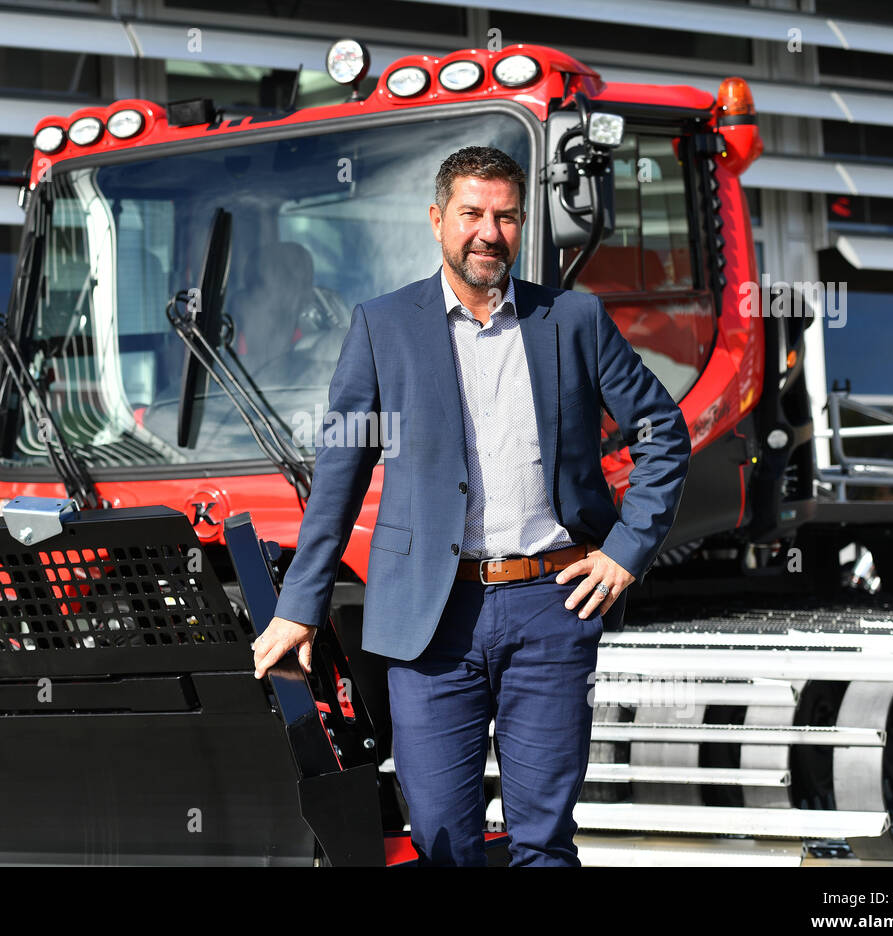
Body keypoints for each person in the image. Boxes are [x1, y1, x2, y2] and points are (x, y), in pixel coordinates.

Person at [251, 145, 691, 866]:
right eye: (472, 214)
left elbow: (662, 432)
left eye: (506, 216)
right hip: (430, 618)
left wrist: (627, 550)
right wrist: (300, 605)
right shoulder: (382, 326)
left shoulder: (574, 320)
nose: (489, 232)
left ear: (522, 225)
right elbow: (339, 475)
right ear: (437, 220)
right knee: (440, 838)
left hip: (553, 606)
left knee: (542, 840)